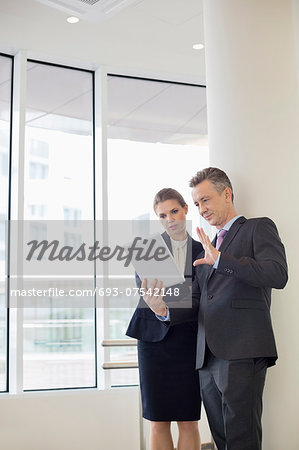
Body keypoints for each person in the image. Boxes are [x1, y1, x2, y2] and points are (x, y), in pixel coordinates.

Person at [142, 168, 288, 450]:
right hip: (206, 357)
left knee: (241, 438)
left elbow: (277, 274)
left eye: (205, 200)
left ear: (227, 194)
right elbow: (197, 299)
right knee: (221, 439)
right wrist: (164, 310)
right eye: (197, 204)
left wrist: (222, 260)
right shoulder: (209, 247)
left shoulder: (257, 228)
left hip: (242, 350)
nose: (202, 209)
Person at [126, 188, 203, 450]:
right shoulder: (148, 249)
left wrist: (169, 300)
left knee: (188, 420)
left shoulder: (202, 250)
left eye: (174, 211)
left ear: (185, 210)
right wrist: (176, 298)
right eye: (162, 215)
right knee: (157, 421)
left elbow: (200, 297)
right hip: (153, 342)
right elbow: (147, 290)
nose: (169, 219)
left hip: (189, 342)